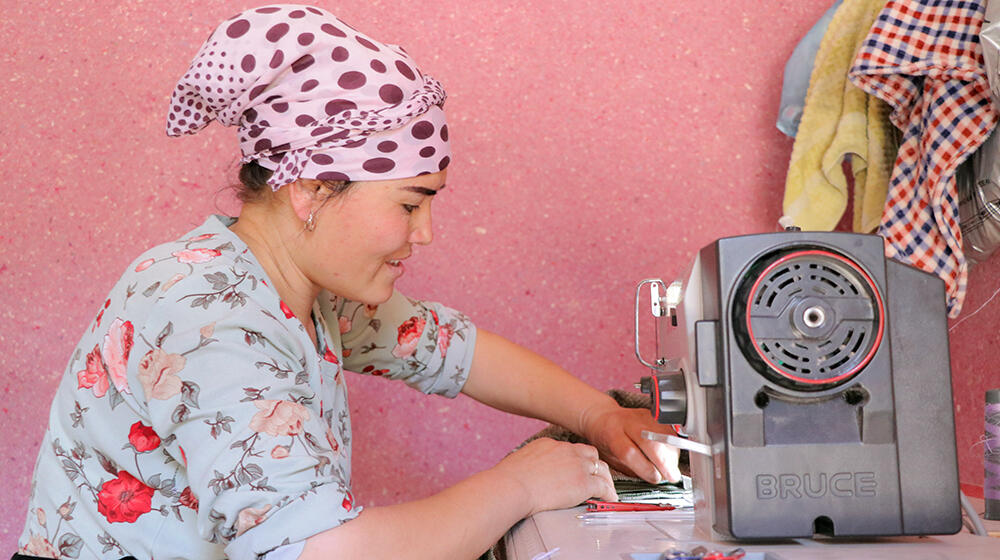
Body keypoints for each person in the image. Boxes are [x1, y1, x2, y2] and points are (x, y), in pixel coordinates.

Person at [14, 5, 680, 559]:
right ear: (311, 191)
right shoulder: (210, 320)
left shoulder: (299, 290)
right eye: (410, 204)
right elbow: (324, 551)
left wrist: (598, 414)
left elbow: (451, 347)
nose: (424, 235)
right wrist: (517, 487)